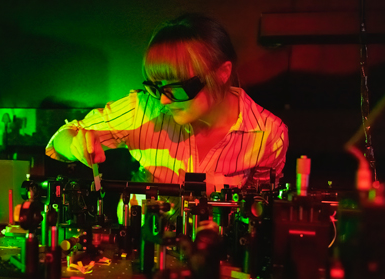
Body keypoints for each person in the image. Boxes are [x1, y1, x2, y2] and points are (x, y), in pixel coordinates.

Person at [46, 13, 288, 197]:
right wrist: (75, 144)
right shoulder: (142, 108)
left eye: (178, 88)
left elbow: (260, 208)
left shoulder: (269, 135)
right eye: (157, 87)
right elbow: (61, 139)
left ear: (222, 73)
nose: (163, 100)